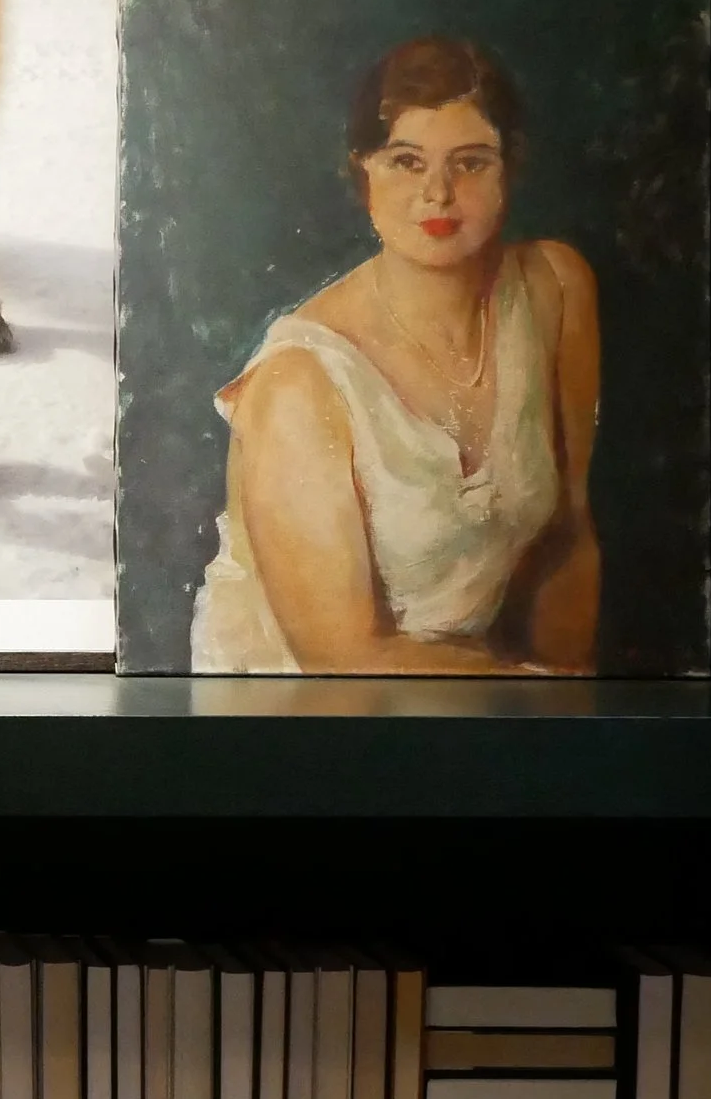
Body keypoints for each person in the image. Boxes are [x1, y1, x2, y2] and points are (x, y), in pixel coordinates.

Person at [189, 35, 601, 674]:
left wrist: (574, 699)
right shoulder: (301, 378)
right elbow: (344, 659)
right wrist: (535, 698)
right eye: (406, 162)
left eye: (470, 163)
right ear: (364, 173)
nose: (438, 194)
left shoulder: (555, 288)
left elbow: (568, 537)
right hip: (297, 705)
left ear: (509, 170)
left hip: (482, 692)